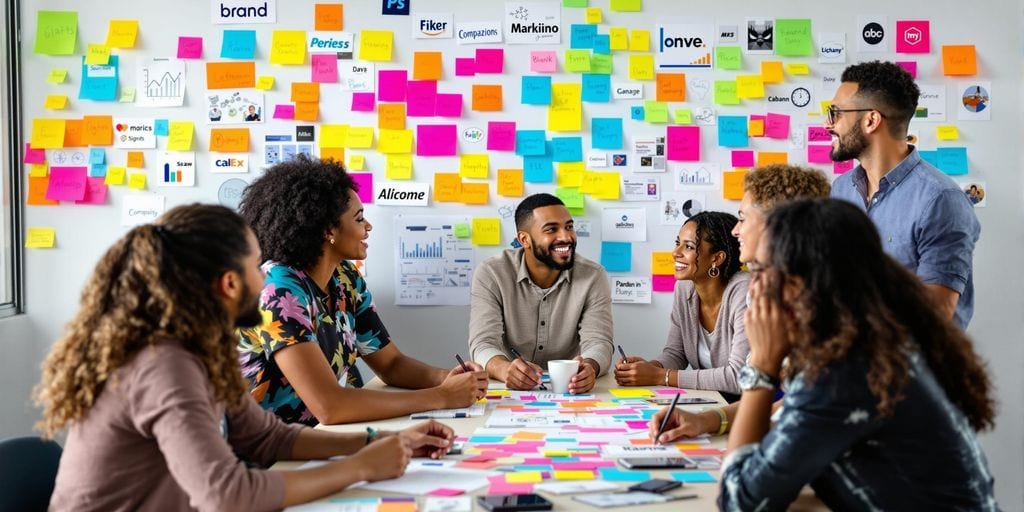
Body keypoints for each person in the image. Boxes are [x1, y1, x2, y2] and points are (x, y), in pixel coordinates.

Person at [36, 204, 457, 512]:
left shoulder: (201, 347)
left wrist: (380, 443)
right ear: (230, 283)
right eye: (258, 264)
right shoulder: (163, 364)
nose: (267, 275)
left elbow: (268, 438)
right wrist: (360, 467)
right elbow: (227, 495)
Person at [697, 198, 996, 510]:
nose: (752, 289)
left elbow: (739, 502)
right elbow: (785, 430)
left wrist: (761, 365)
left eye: (759, 270)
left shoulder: (842, 373)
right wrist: (712, 418)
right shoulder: (865, 347)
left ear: (799, 284)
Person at [238, 156, 488, 426]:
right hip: (268, 451)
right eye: (359, 219)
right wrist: (441, 397)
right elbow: (330, 407)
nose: (368, 227)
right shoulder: (278, 290)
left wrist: (449, 378)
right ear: (328, 230)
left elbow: (391, 365)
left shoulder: (345, 278)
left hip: (320, 438)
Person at [648, 165, 830, 438]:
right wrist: (705, 421)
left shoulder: (815, 307)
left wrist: (761, 370)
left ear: (777, 227)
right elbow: (789, 406)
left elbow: (743, 476)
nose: (735, 231)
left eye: (743, 218)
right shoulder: (784, 291)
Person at [827, 60, 980, 329]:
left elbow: (932, 316)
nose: (828, 124)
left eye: (835, 113)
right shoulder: (841, 189)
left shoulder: (940, 200)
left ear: (871, 120)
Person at [469, 193, 613, 393]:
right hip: (510, 391)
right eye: (551, 229)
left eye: (569, 227)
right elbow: (483, 342)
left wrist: (590, 367)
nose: (565, 237)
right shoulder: (492, 273)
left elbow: (599, 342)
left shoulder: (593, 276)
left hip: (569, 390)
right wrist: (504, 369)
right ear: (524, 239)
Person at [614, 212, 749, 398]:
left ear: (716, 258)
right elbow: (676, 353)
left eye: (689, 247)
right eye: (677, 243)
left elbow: (739, 377)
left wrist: (662, 376)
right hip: (710, 400)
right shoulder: (684, 289)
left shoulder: (745, 291)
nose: (675, 253)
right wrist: (651, 368)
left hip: (748, 408)